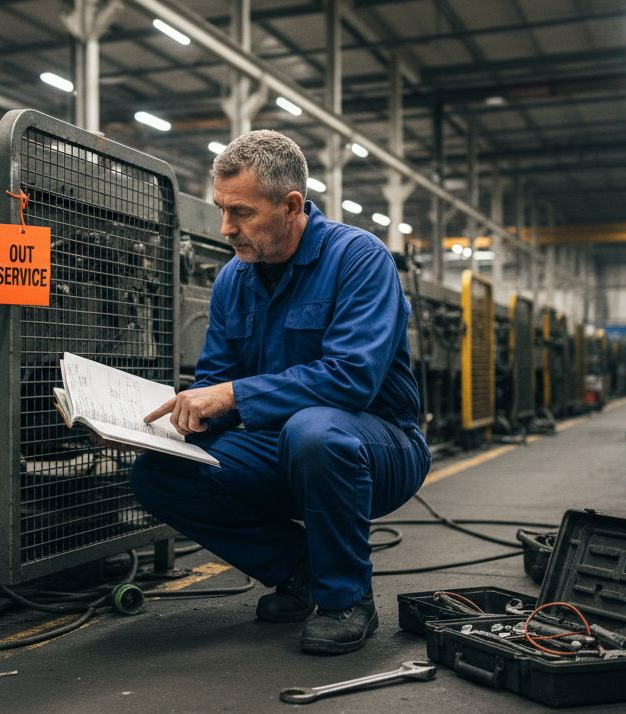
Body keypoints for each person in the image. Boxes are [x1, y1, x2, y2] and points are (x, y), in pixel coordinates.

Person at [129, 130, 430, 655]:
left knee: (313, 430)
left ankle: (347, 600)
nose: (226, 229)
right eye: (223, 211)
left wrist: (232, 396)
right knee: (159, 472)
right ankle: (302, 571)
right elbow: (215, 386)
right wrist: (157, 430)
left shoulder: (358, 259)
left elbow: (351, 378)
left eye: (241, 213)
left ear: (291, 206)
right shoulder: (232, 281)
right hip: (283, 449)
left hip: (379, 446)